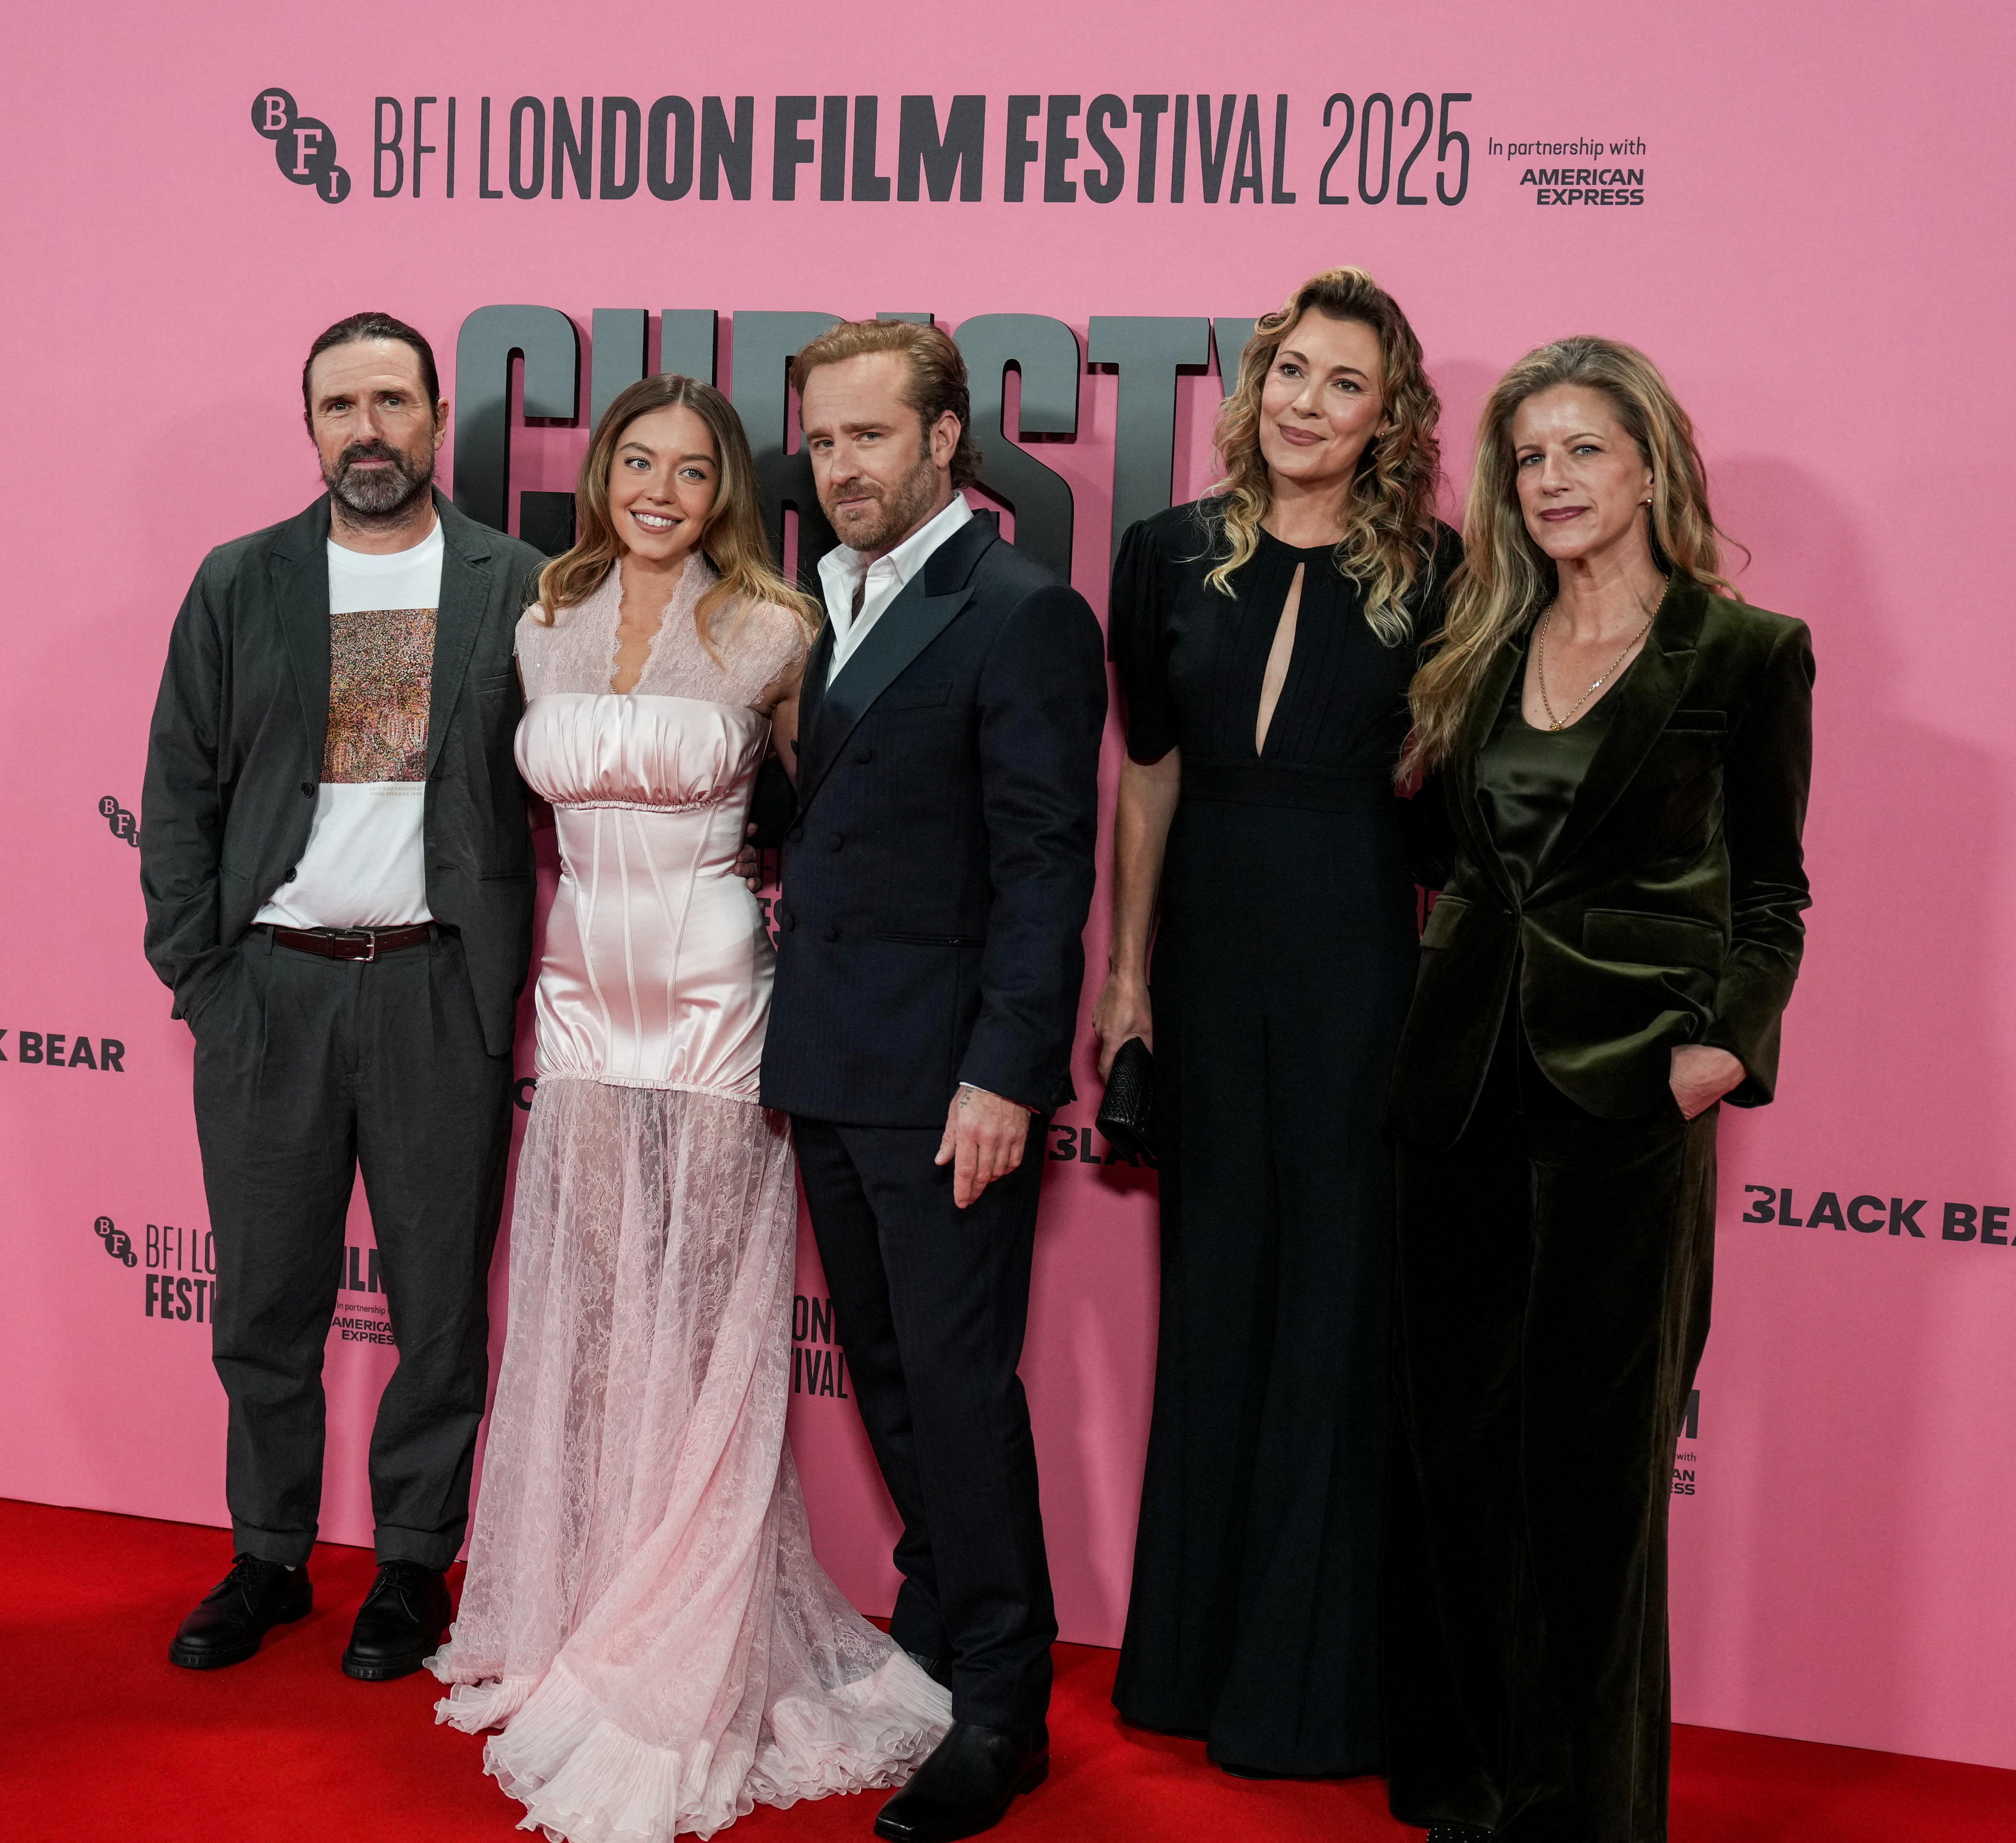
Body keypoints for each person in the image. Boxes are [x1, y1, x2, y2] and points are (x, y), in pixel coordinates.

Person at [431, 374, 951, 1841]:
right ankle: (588, 1594)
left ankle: (690, 1623)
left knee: (714, 1313)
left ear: (728, 489)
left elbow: (849, 824)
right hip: (581, 991)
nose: (662, 488)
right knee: (593, 1306)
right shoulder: (541, 615)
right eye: (637, 462)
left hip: (720, 997)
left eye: (693, 468)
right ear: (603, 474)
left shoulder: (781, 628)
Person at [1383, 337, 1814, 1842]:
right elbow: (1449, 863)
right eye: (1528, 459)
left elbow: (1775, 895)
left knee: (1595, 1476)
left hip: (1626, 1102)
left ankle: (1587, 1810)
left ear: (1651, 466)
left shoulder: (1747, 653)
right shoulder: (1480, 639)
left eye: (1581, 451)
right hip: (1457, 1095)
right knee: (1459, 1458)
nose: (1552, 481)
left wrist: (1716, 1050)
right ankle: (1474, 1783)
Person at [139, 311, 547, 1682]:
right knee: (264, 1295)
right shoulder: (239, 580)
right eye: (337, 407)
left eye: (390, 401)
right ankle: (268, 1553)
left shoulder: (519, 582)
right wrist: (202, 973)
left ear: (437, 418)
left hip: (438, 989)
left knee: (438, 1302)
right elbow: (179, 787)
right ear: (308, 426)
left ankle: (413, 1564)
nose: (365, 429)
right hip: (272, 992)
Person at [1091, 266, 1458, 1779]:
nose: (1309, 404)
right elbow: (1155, 772)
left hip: (1363, 961)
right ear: (1258, 386)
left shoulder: (1439, 573)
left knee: (1336, 1315)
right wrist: (1126, 980)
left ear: (1390, 418)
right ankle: (1188, 1657)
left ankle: (1310, 1685)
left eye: (1345, 384)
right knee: (1219, 1295)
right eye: (1293, 372)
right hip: (1209, 960)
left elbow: (1448, 802)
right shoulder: (1167, 554)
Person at [759, 319, 1108, 1843]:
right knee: (893, 1374)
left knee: (958, 1389)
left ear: (947, 437)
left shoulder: (1018, 608)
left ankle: (1004, 1706)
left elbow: (1047, 868)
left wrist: (1006, 1073)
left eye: (871, 437)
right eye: (823, 441)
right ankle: (947, 1626)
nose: (841, 466)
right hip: (830, 1055)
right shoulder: (816, 604)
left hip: (948, 1077)